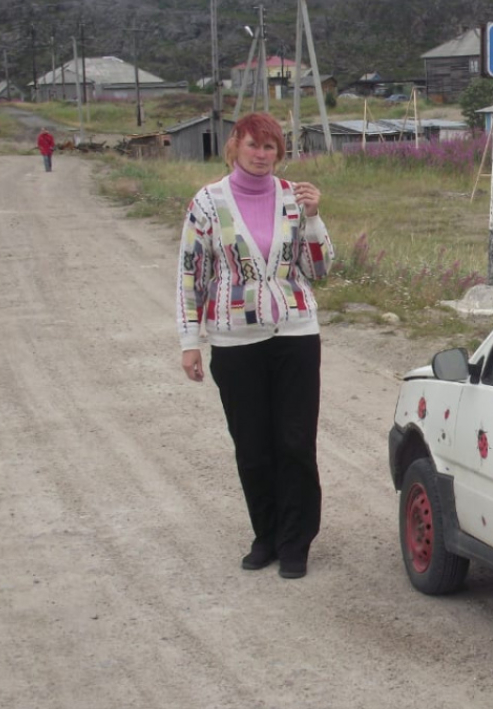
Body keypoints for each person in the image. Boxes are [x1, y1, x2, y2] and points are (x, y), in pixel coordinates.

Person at [175, 112, 333, 580]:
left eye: (270, 148)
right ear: (235, 147)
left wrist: (314, 217)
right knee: (253, 446)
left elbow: (319, 270)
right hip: (235, 340)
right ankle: (264, 536)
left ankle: (295, 542)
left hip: (297, 335)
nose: (262, 155)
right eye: (253, 146)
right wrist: (190, 342)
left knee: (296, 442)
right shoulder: (207, 203)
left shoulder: (293, 198)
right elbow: (190, 276)